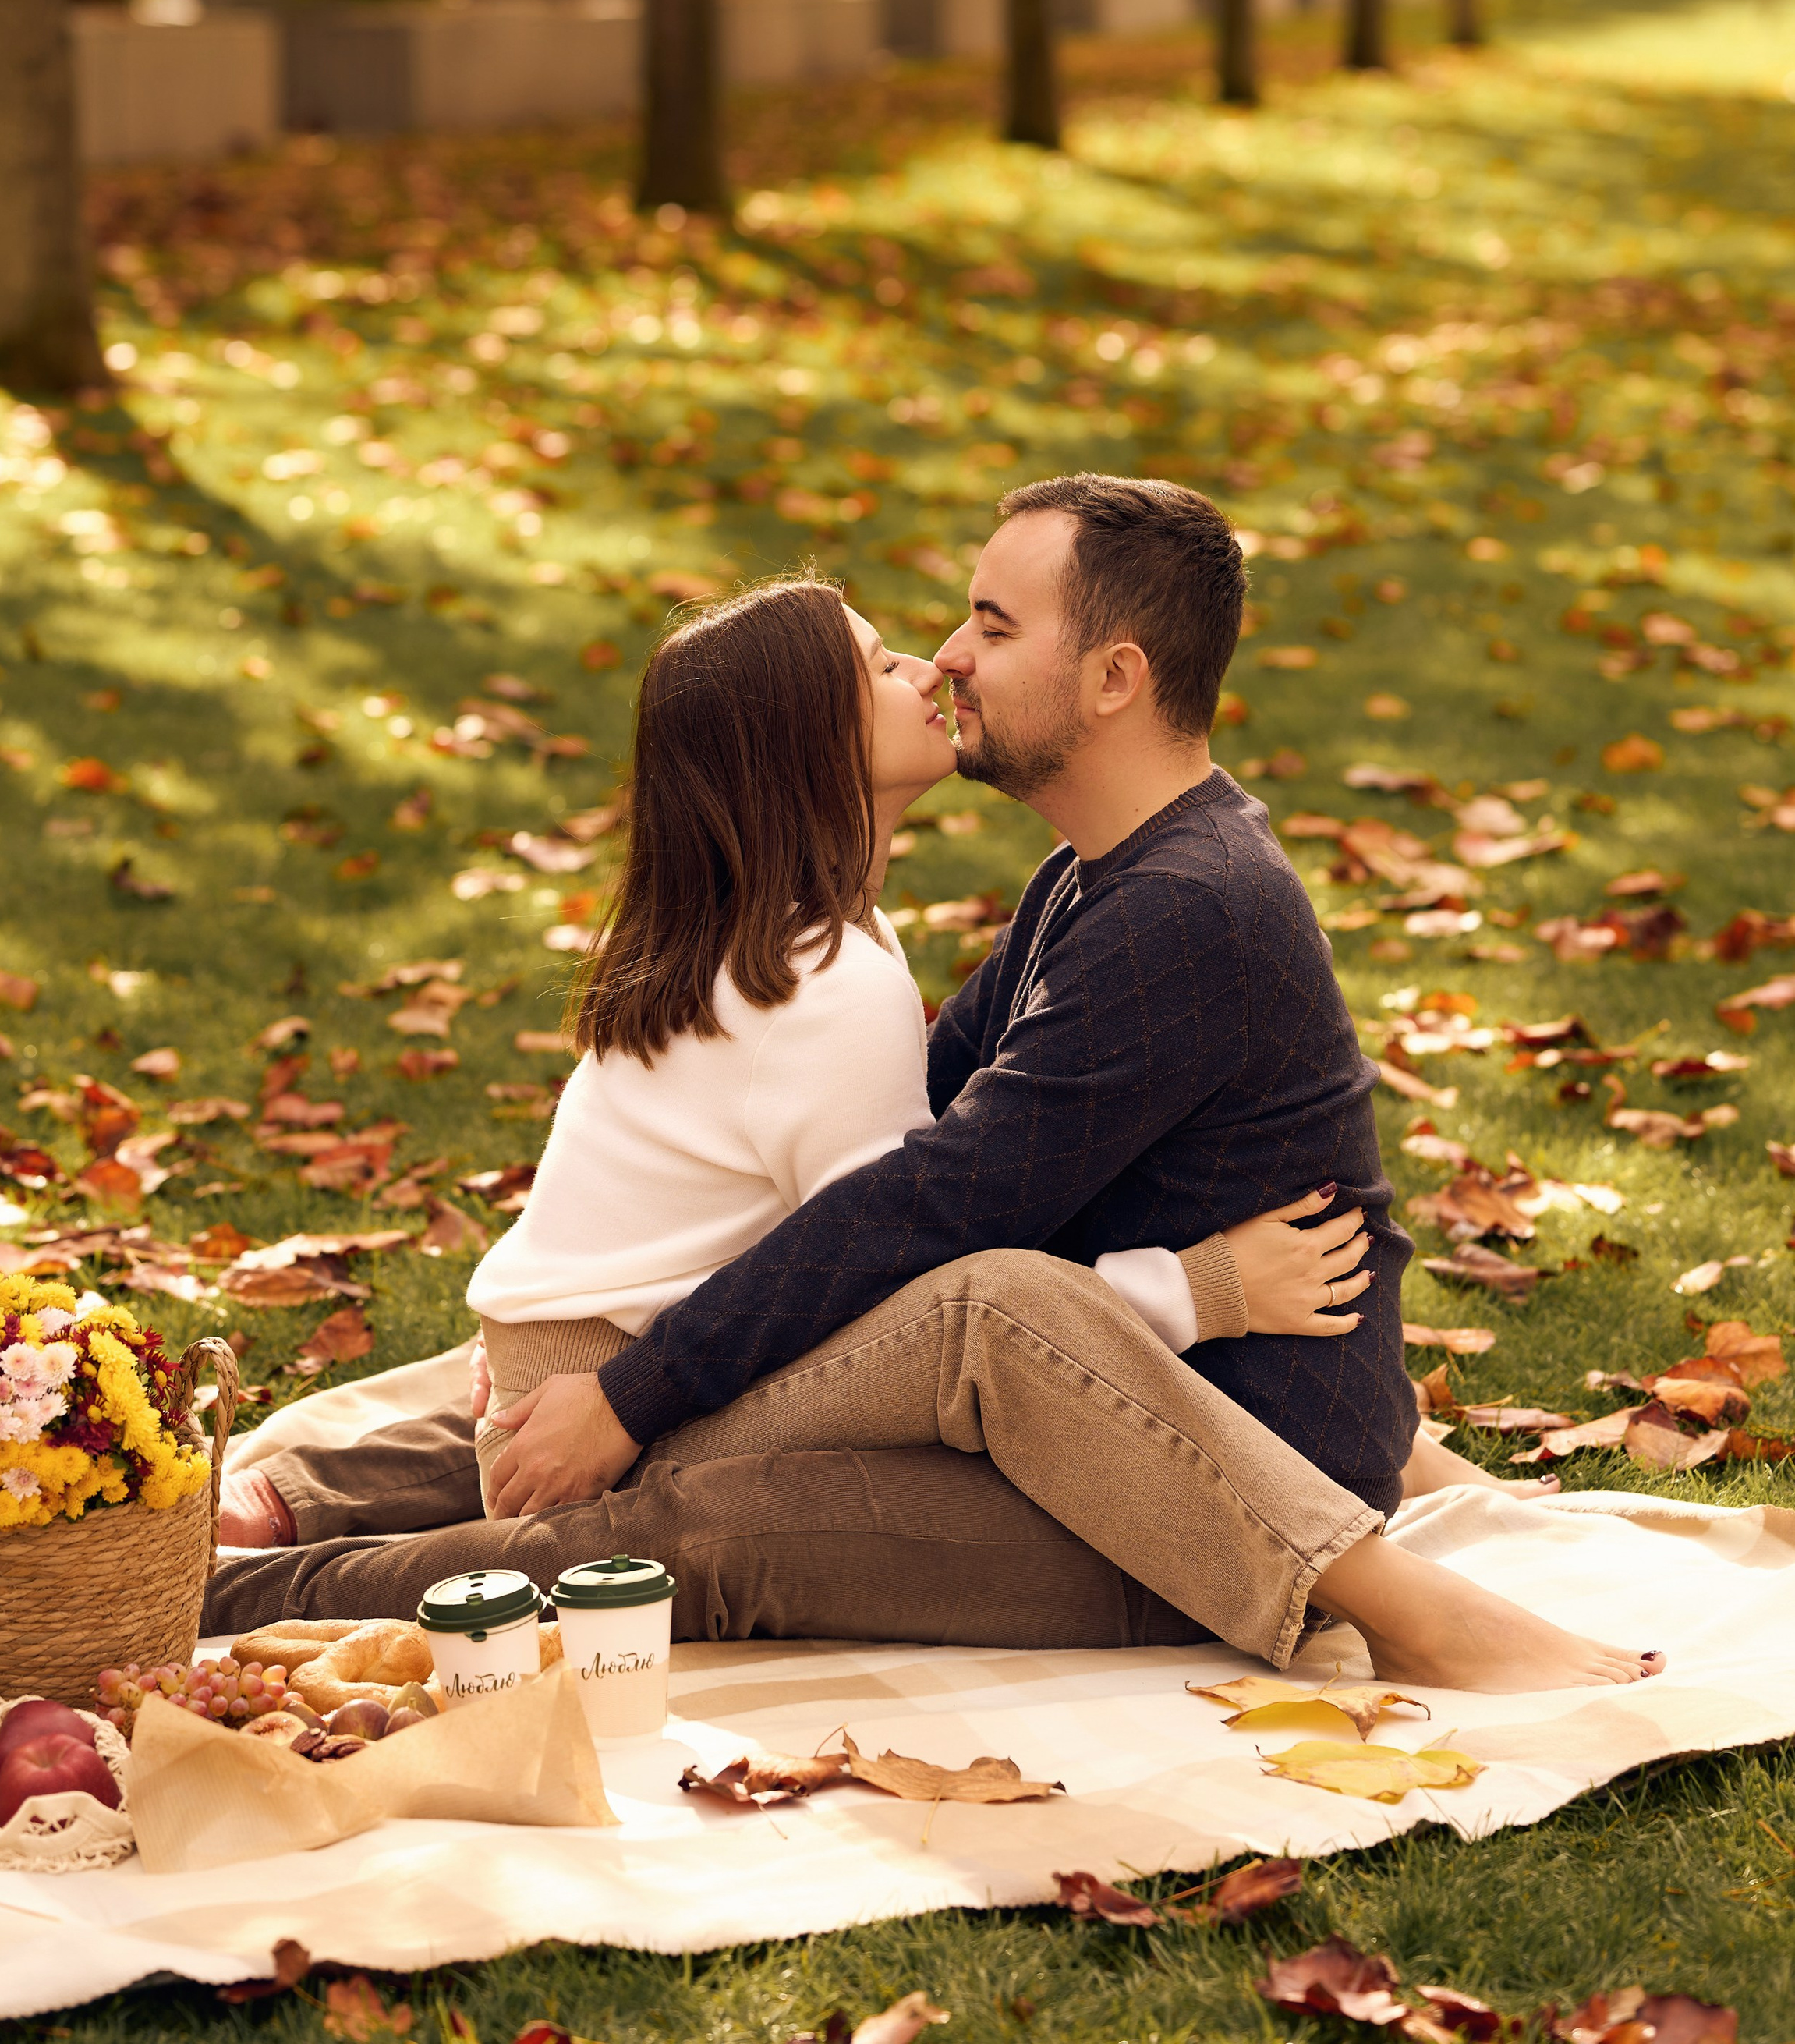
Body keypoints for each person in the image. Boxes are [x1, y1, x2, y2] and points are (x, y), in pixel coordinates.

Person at [216, 487, 1657, 1690]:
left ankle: (232, 1597)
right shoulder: (1085, 888)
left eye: (994, 623)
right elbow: (936, 1156)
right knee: (666, 1435)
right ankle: (267, 1528)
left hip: (1189, 1497)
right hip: (1068, 1428)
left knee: (700, 1524)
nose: (950, 657)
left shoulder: (1190, 909)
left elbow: (940, 1210)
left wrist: (636, 1388)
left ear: (1115, 677)